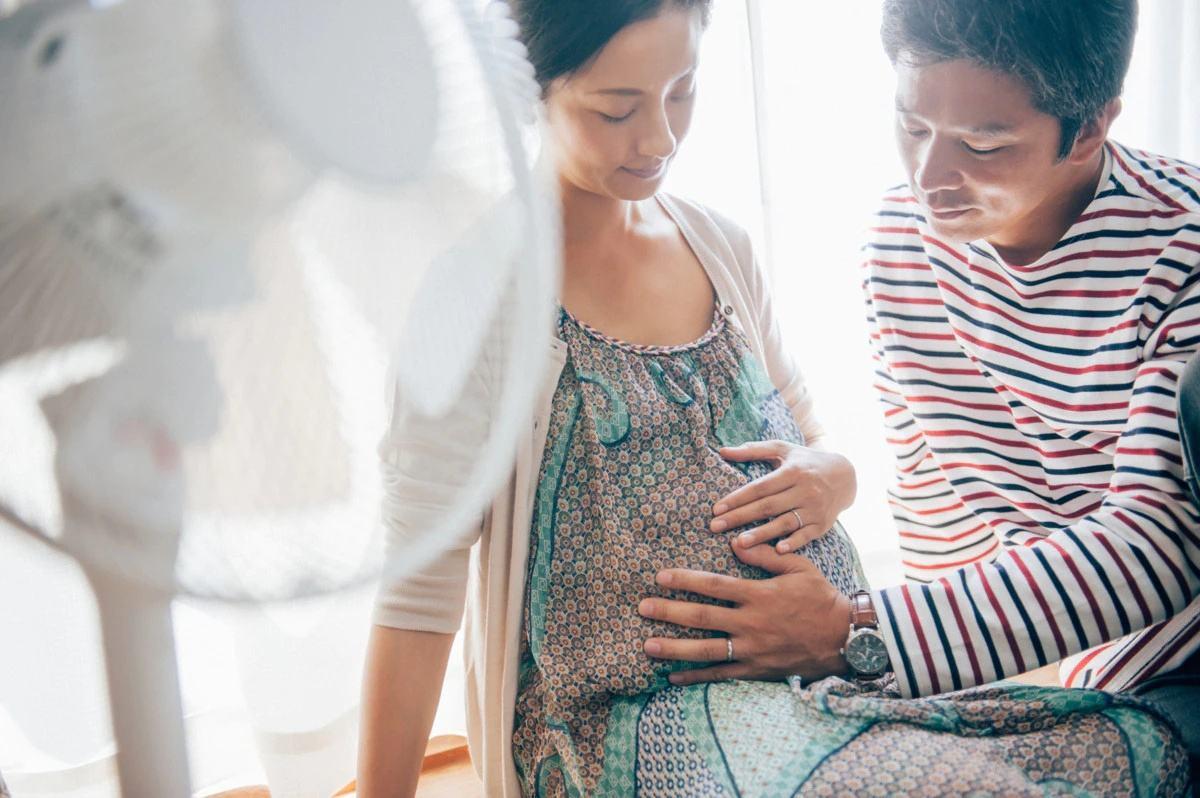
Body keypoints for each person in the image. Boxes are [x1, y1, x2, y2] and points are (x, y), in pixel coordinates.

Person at [638, 0, 1200, 785]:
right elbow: (937, 498)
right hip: (1061, 665)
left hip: (1180, 663)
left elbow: (1159, 547)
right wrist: (937, 692)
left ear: (1092, 127)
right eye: (913, 127)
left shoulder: (1183, 250)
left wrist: (854, 631)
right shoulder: (902, 242)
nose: (930, 178)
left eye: (983, 143)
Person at [358, 1, 860, 795]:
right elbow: (419, 591)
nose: (658, 138)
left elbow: (805, 434)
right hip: (628, 728)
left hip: (826, 671)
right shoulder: (476, 299)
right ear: (531, 93)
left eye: (683, 90)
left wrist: (839, 475)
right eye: (616, 108)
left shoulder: (720, 246)